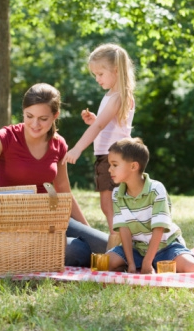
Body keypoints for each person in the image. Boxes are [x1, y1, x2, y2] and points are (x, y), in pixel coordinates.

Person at [0, 83, 108, 267]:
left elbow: (63, 190)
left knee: (105, 245)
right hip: (14, 222)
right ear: (23, 111)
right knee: (77, 250)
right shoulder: (4, 137)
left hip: (50, 217)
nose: (35, 124)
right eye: (29, 116)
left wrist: (87, 231)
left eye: (43, 118)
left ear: (55, 116)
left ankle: (152, 260)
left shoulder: (59, 144)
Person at [62, 43, 135, 250]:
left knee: (111, 206)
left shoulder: (118, 96)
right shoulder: (113, 95)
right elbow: (108, 124)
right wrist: (94, 120)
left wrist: (77, 148)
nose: (97, 79)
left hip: (113, 159)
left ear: (116, 71)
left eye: (100, 73)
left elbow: (101, 126)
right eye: (95, 74)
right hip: (111, 157)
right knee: (110, 205)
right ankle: (118, 246)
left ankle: (118, 248)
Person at [106, 138, 194, 274]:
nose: (109, 169)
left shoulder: (156, 189)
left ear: (133, 166)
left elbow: (159, 228)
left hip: (166, 247)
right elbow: (124, 230)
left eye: (114, 165)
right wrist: (131, 263)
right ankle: (149, 266)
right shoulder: (117, 194)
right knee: (106, 262)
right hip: (137, 249)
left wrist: (147, 262)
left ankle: (153, 264)